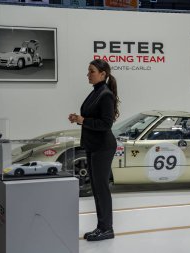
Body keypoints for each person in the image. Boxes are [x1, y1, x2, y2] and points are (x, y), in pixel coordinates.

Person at [68, 59, 120, 241]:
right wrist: (79, 118)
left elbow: (106, 124)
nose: (88, 74)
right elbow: (91, 117)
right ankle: (102, 227)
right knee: (97, 189)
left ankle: (107, 228)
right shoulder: (96, 92)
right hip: (93, 146)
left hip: (103, 147)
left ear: (103, 74)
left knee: (101, 189)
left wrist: (83, 120)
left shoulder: (105, 95)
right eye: (88, 71)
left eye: (91, 71)